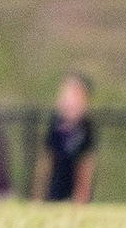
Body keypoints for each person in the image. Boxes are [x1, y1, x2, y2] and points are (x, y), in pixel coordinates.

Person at [32, 74, 97, 204]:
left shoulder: (86, 128)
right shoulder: (55, 123)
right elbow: (46, 162)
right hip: (53, 194)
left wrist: (80, 201)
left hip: (72, 196)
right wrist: (37, 197)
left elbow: (85, 169)